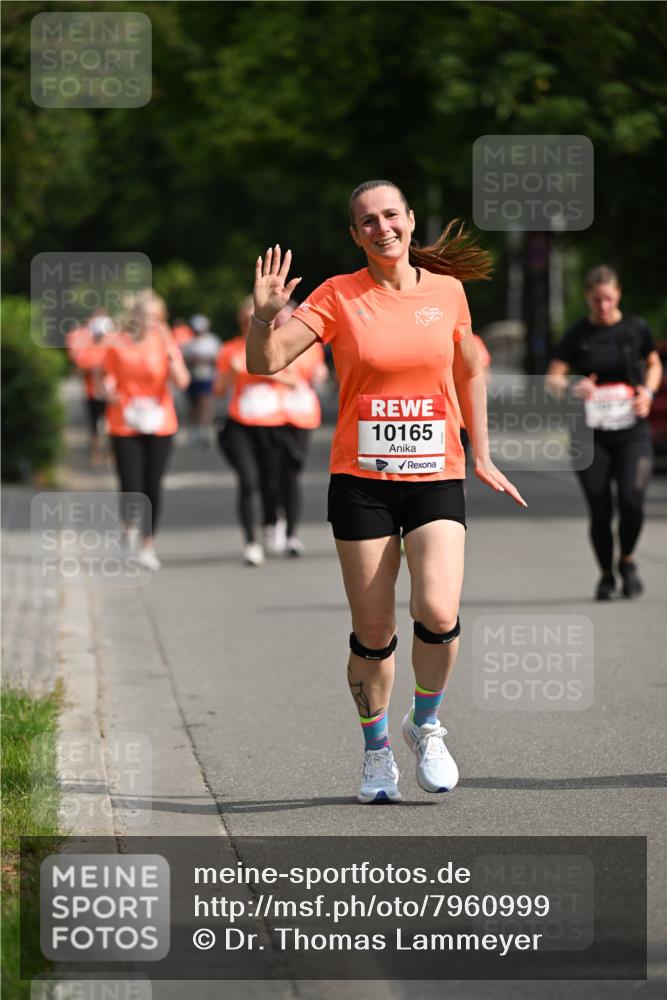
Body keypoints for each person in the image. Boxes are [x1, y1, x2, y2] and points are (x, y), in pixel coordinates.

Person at [247, 180, 526, 803]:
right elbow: (265, 364)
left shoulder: (448, 293)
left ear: (409, 220)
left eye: (391, 215)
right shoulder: (338, 296)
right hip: (362, 483)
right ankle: (376, 754)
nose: (382, 228)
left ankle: (425, 725)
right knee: (372, 632)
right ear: (356, 234)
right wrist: (267, 314)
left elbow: (469, 370)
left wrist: (480, 453)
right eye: (367, 221)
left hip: (435, 473)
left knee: (439, 611)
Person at [546, 265, 662, 600]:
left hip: (632, 432)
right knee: (600, 508)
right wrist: (571, 385)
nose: (604, 306)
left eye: (609, 299)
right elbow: (553, 377)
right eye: (597, 300)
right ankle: (607, 575)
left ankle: (627, 559)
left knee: (632, 500)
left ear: (618, 294)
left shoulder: (635, 329)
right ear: (587, 298)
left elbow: (653, 363)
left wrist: (649, 393)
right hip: (590, 435)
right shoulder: (578, 334)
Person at [100, 290, 190, 571]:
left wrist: (168, 348)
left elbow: (182, 382)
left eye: (154, 316)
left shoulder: (167, 344)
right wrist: (108, 391)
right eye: (144, 315)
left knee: (153, 484)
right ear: (134, 316)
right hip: (124, 421)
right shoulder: (117, 344)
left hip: (160, 422)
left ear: (161, 318)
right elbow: (105, 378)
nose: (149, 320)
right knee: (131, 483)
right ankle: (128, 526)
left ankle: (147, 544)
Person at [214, 297, 298, 566]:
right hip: (240, 423)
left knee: (271, 482)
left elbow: (293, 380)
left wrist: (261, 370)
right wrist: (231, 372)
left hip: (274, 424)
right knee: (248, 481)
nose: (249, 326)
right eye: (245, 321)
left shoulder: (275, 344)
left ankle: (271, 522)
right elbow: (218, 390)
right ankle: (251, 542)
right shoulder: (230, 349)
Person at [272, 301, 329, 556]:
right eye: (280, 314)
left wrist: (321, 375)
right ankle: (274, 518)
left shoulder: (310, 344)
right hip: (272, 414)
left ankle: (292, 534)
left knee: (293, 470)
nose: (285, 318)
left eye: (288, 314)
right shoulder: (268, 340)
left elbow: (318, 370)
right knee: (274, 471)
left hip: (303, 413)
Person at [66, 309, 115, 464]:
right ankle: (95, 454)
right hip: (92, 392)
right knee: (93, 425)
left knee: (111, 425)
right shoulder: (88, 347)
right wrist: (95, 370)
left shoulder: (112, 346)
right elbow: (80, 367)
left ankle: (110, 455)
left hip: (111, 392)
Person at [182, 314, 220, 446]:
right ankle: (195, 430)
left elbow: (218, 360)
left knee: (205, 403)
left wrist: (205, 360)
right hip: (192, 377)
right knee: (193, 405)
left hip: (207, 377)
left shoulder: (213, 341)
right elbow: (183, 360)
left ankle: (204, 430)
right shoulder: (187, 343)